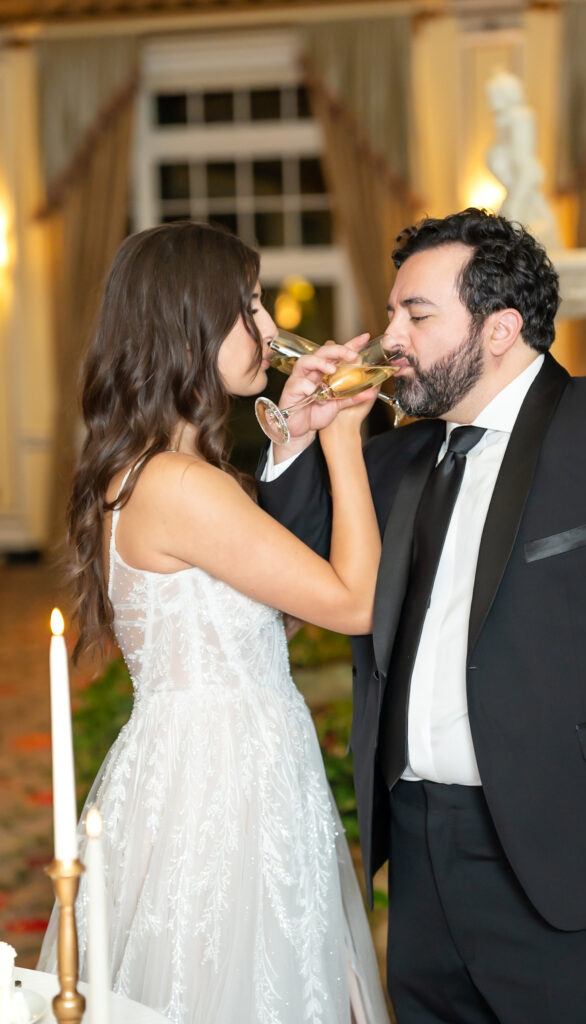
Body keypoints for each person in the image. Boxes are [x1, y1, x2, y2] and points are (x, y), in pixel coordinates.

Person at [258, 207, 586, 1023]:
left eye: (416, 315)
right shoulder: (391, 459)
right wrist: (298, 441)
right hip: (423, 863)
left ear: (499, 330)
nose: (389, 337)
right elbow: (294, 570)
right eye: (390, 312)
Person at [37, 221, 391, 1024]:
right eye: (248, 308)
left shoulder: (152, 469)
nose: (269, 330)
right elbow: (351, 602)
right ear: (188, 323)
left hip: (214, 756)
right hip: (225, 779)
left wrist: (291, 433)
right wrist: (342, 438)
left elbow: (254, 610)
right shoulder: (180, 485)